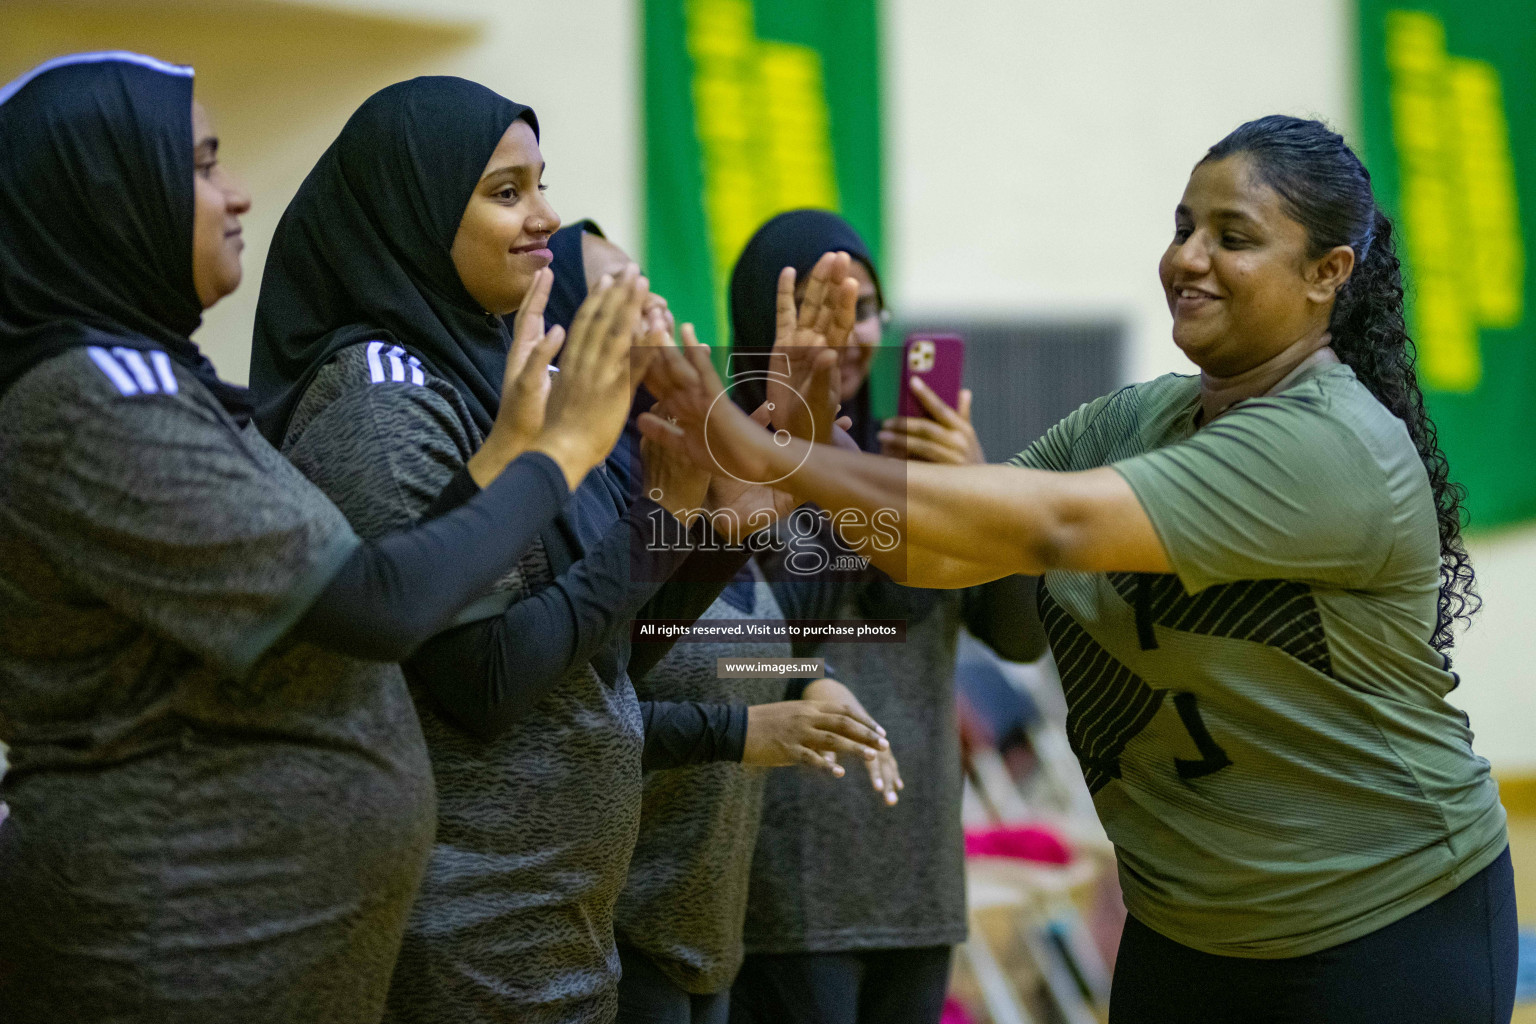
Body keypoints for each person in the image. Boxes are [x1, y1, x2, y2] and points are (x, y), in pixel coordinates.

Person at [640, 117, 1516, 1024]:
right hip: (1188, 927)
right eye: (1183, 228)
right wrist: (804, 445)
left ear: (1328, 274)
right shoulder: (1132, 420)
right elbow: (933, 551)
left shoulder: (1332, 444)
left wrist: (753, 441)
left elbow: (1055, 529)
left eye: (1235, 237)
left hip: (1381, 922)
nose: (1189, 259)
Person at [0, 52, 646, 1023]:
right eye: (203, 166)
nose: (238, 192)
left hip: (269, 936)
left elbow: (384, 586)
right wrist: (557, 454)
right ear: (109, 194)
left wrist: (520, 454)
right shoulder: (95, 402)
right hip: (181, 935)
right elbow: (387, 611)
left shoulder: (150, 383)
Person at [248, 78, 889, 1024]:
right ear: (416, 210)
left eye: (540, 184)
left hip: (552, 929)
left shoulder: (500, 379)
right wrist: (638, 514)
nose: (546, 215)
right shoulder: (384, 403)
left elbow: (614, 660)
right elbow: (485, 682)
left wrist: (708, 530)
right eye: (507, 191)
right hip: (461, 936)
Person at [542, 221, 895, 1024]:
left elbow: (746, 636)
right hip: (616, 925)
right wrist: (741, 732)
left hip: (705, 927)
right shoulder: (576, 490)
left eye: (646, 287)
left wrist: (811, 676)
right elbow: (573, 696)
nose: (652, 309)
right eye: (615, 295)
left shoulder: (678, 463)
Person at [720, 210, 1045, 1024]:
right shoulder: (725, 462)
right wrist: (854, 487)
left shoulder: (922, 463)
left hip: (917, 878)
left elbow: (1019, 634)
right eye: (824, 311)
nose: (854, 334)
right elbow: (747, 649)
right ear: (769, 326)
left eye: (866, 309)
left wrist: (974, 495)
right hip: (788, 883)